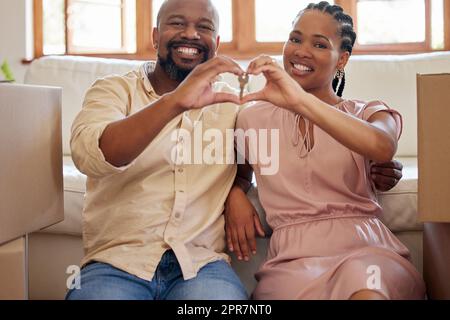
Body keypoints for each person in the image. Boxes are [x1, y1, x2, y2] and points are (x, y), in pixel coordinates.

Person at [66, 0, 404, 300]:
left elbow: (379, 145)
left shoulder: (235, 105)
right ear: (155, 36)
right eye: (176, 23)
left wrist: (235, 190)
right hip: (119, 262)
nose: (190, 34)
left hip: (203, 265)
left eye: (204, 27)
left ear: (217, 42)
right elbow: (93, 154)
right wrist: (177, 106)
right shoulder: (116, 91)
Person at [225, 1, 425, 300]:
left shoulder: (369, 112)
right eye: (295, 39)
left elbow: (383, 147)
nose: (301, 50)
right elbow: (237, 175)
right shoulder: (252, 117)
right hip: (291, 262)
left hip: (366, 252)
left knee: (367, 289)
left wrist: (299, 101)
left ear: (341, 59)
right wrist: (234, 195)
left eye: (319, 44)